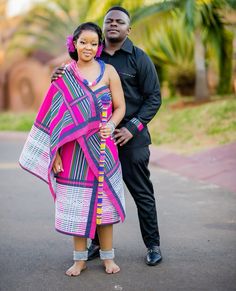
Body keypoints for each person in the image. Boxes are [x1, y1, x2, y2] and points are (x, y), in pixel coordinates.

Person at [52, 6, 162, 266]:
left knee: (142, 193)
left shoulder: (139, 58)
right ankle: (97, 247)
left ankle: (153, 245)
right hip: (93, 140)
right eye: (109, 21)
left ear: (128, 29)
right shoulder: (90, 57)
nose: (113, 24)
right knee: (96, 191)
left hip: (130, 138)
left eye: (119, 21)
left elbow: (154, 98)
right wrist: (56, 75)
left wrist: (131, 127)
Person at [19, 22, 126, 276]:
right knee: (76, 207)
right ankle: (79, 260)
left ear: (99, 47)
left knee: (105, 204)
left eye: (93, 43)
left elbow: (120, 107)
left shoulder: (109, 71)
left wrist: (110, 126)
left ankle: (108, 258)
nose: (88, 47)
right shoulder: (65, 74)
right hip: (71, 152)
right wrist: (54, 153)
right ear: (74, 44)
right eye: (83, 42)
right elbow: (53, 117)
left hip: (102, 148)